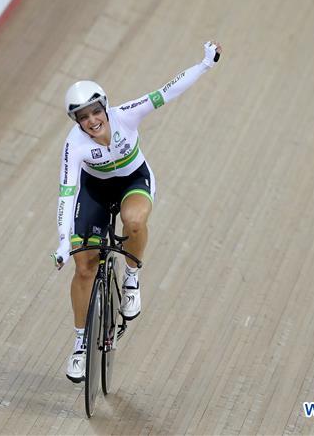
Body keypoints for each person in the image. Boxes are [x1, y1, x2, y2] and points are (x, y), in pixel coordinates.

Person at [53, 41, 223, 382]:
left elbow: (166, 92)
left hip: (134, 180)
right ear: (76, 121)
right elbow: (67, 193)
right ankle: (80, 346)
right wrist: (61, 243)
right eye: (83, 117)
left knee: (133, 220)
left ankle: (131, 280)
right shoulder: (75, 145)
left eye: (95, 112)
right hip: (94, 191)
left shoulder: (126, 114)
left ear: (105, 107)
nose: (91, 121)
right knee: (84, 266)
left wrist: (204, 64)